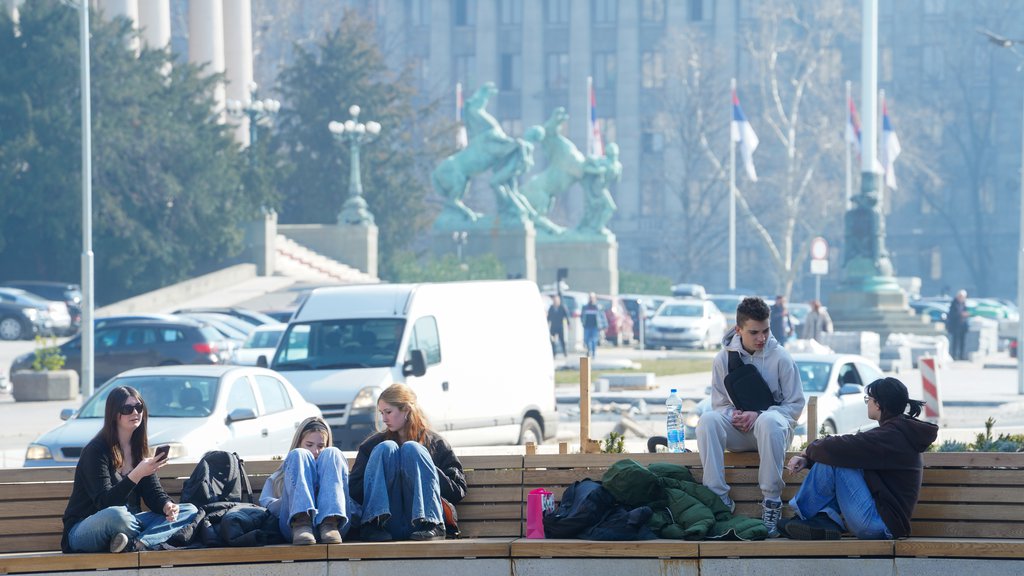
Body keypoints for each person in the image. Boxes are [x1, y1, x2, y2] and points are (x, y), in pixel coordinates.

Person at [696, 297, 805, 537]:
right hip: (739, 431)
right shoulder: (723, 359)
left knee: (767, 421)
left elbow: (795, 405)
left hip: (774, 433)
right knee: (707, 420)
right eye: (754, 332)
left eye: (766, 330)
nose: (762, 338)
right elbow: (719, 404)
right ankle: (718, 498)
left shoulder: (782, 358)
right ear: (738, 330)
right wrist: (734, 415)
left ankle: (772, 502)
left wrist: (758, 415)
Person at [780, 377, 938, 540]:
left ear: (878, 404)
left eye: (868, 399)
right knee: (839, 457)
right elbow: (850, 448)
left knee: (838, 459)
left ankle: (805, 518)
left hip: (880, 525)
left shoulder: (891, 437)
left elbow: (843, 447)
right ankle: (823, 520)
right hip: (880, 521)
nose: (867, 403)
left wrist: (807, 451)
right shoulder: (896, 433)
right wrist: (809, 459)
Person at [61, 386, 198, 553]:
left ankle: (137, 544)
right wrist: (137, 473)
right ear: (114, 414)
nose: (135, 412)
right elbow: (105, 502)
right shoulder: (96, 451)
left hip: (129, 524)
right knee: (117, 515)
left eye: (139, 407)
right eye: (127, 409)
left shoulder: (138, 451)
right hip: (85, 529)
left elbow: (153, 494)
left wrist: (167, 505)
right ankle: (146, 539)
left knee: (189, 510)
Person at [349, 384, 467, 542]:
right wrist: (380, 470)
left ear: (406, 409)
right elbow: (353, 491)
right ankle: (373, 522)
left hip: (423, 527)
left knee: (412, 449)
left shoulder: (435, 443)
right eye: (381, 413)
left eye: (388, 412)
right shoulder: (373, 446)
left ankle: (433, 524)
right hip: (384, 528)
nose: (384, 419)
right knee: (386, 448)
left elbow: (457, 491)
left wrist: (426, 469)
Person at [259, 416, 356, 545]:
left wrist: (328, 498)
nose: (315, 451)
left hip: (336, 529)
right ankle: (302, 521)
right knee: (299, 454)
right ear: (299, 442)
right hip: (294, 529)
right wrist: (296, 496)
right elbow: (268, 506)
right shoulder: (285, 472)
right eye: (309, 445)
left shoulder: (332, 463)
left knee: (334, 452)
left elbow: (352, 506)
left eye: (321, 446)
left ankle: (329, 521)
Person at [580, 292, 608, 358]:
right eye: (590, 298)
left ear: (595, 299)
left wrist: (605, 325)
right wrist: (582, 322)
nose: (591, 299)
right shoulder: (585, 307)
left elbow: (603, 316)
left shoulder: (598, 307)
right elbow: (582, 316)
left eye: (592, 298)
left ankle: (593, 353)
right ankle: (588, 350)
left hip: (595, 327)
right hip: (587, 326)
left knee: (594, 340)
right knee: (586, 339)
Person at [947, 290, 969, 361]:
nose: (962, 298)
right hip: (956, 325)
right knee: (955, 342)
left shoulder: (963, 304)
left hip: (962, 326)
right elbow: (952, 314)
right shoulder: (954, 304)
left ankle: (961, 355)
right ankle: (954, 355)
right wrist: (961, 314)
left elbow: (965, 312)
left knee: (962, 342)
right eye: (960, 296)